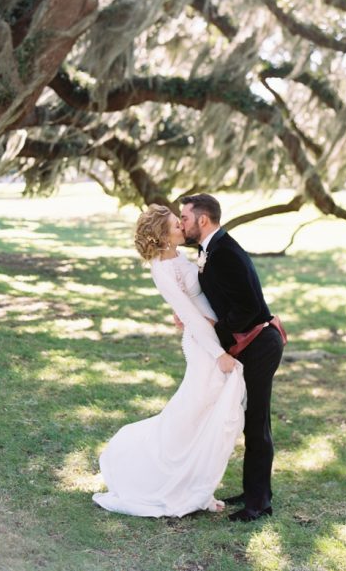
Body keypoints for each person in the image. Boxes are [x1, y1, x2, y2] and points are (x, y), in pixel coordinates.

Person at [93, 205, 246, 517]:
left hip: (213, 337)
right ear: (163, 236)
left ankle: (200, 489)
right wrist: (218, 355)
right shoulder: (161, 270)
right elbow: (189, 314)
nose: (183, 228)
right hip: (204, 346)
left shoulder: (178, 256)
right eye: (177, 225)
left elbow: (196, 299)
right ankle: (163, 478)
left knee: (207, 416)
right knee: (193, 416)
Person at [180, 193, 284, 522]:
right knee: (246, 421)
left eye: (184, 218)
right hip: (248, 344)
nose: (181, 223)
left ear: (203, 220)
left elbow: (249, 308)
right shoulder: (213, 249)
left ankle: (259, 504)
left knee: (256, 423)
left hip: (260, 344)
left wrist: (215, 333)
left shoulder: (224, 252)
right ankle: (253, 491)